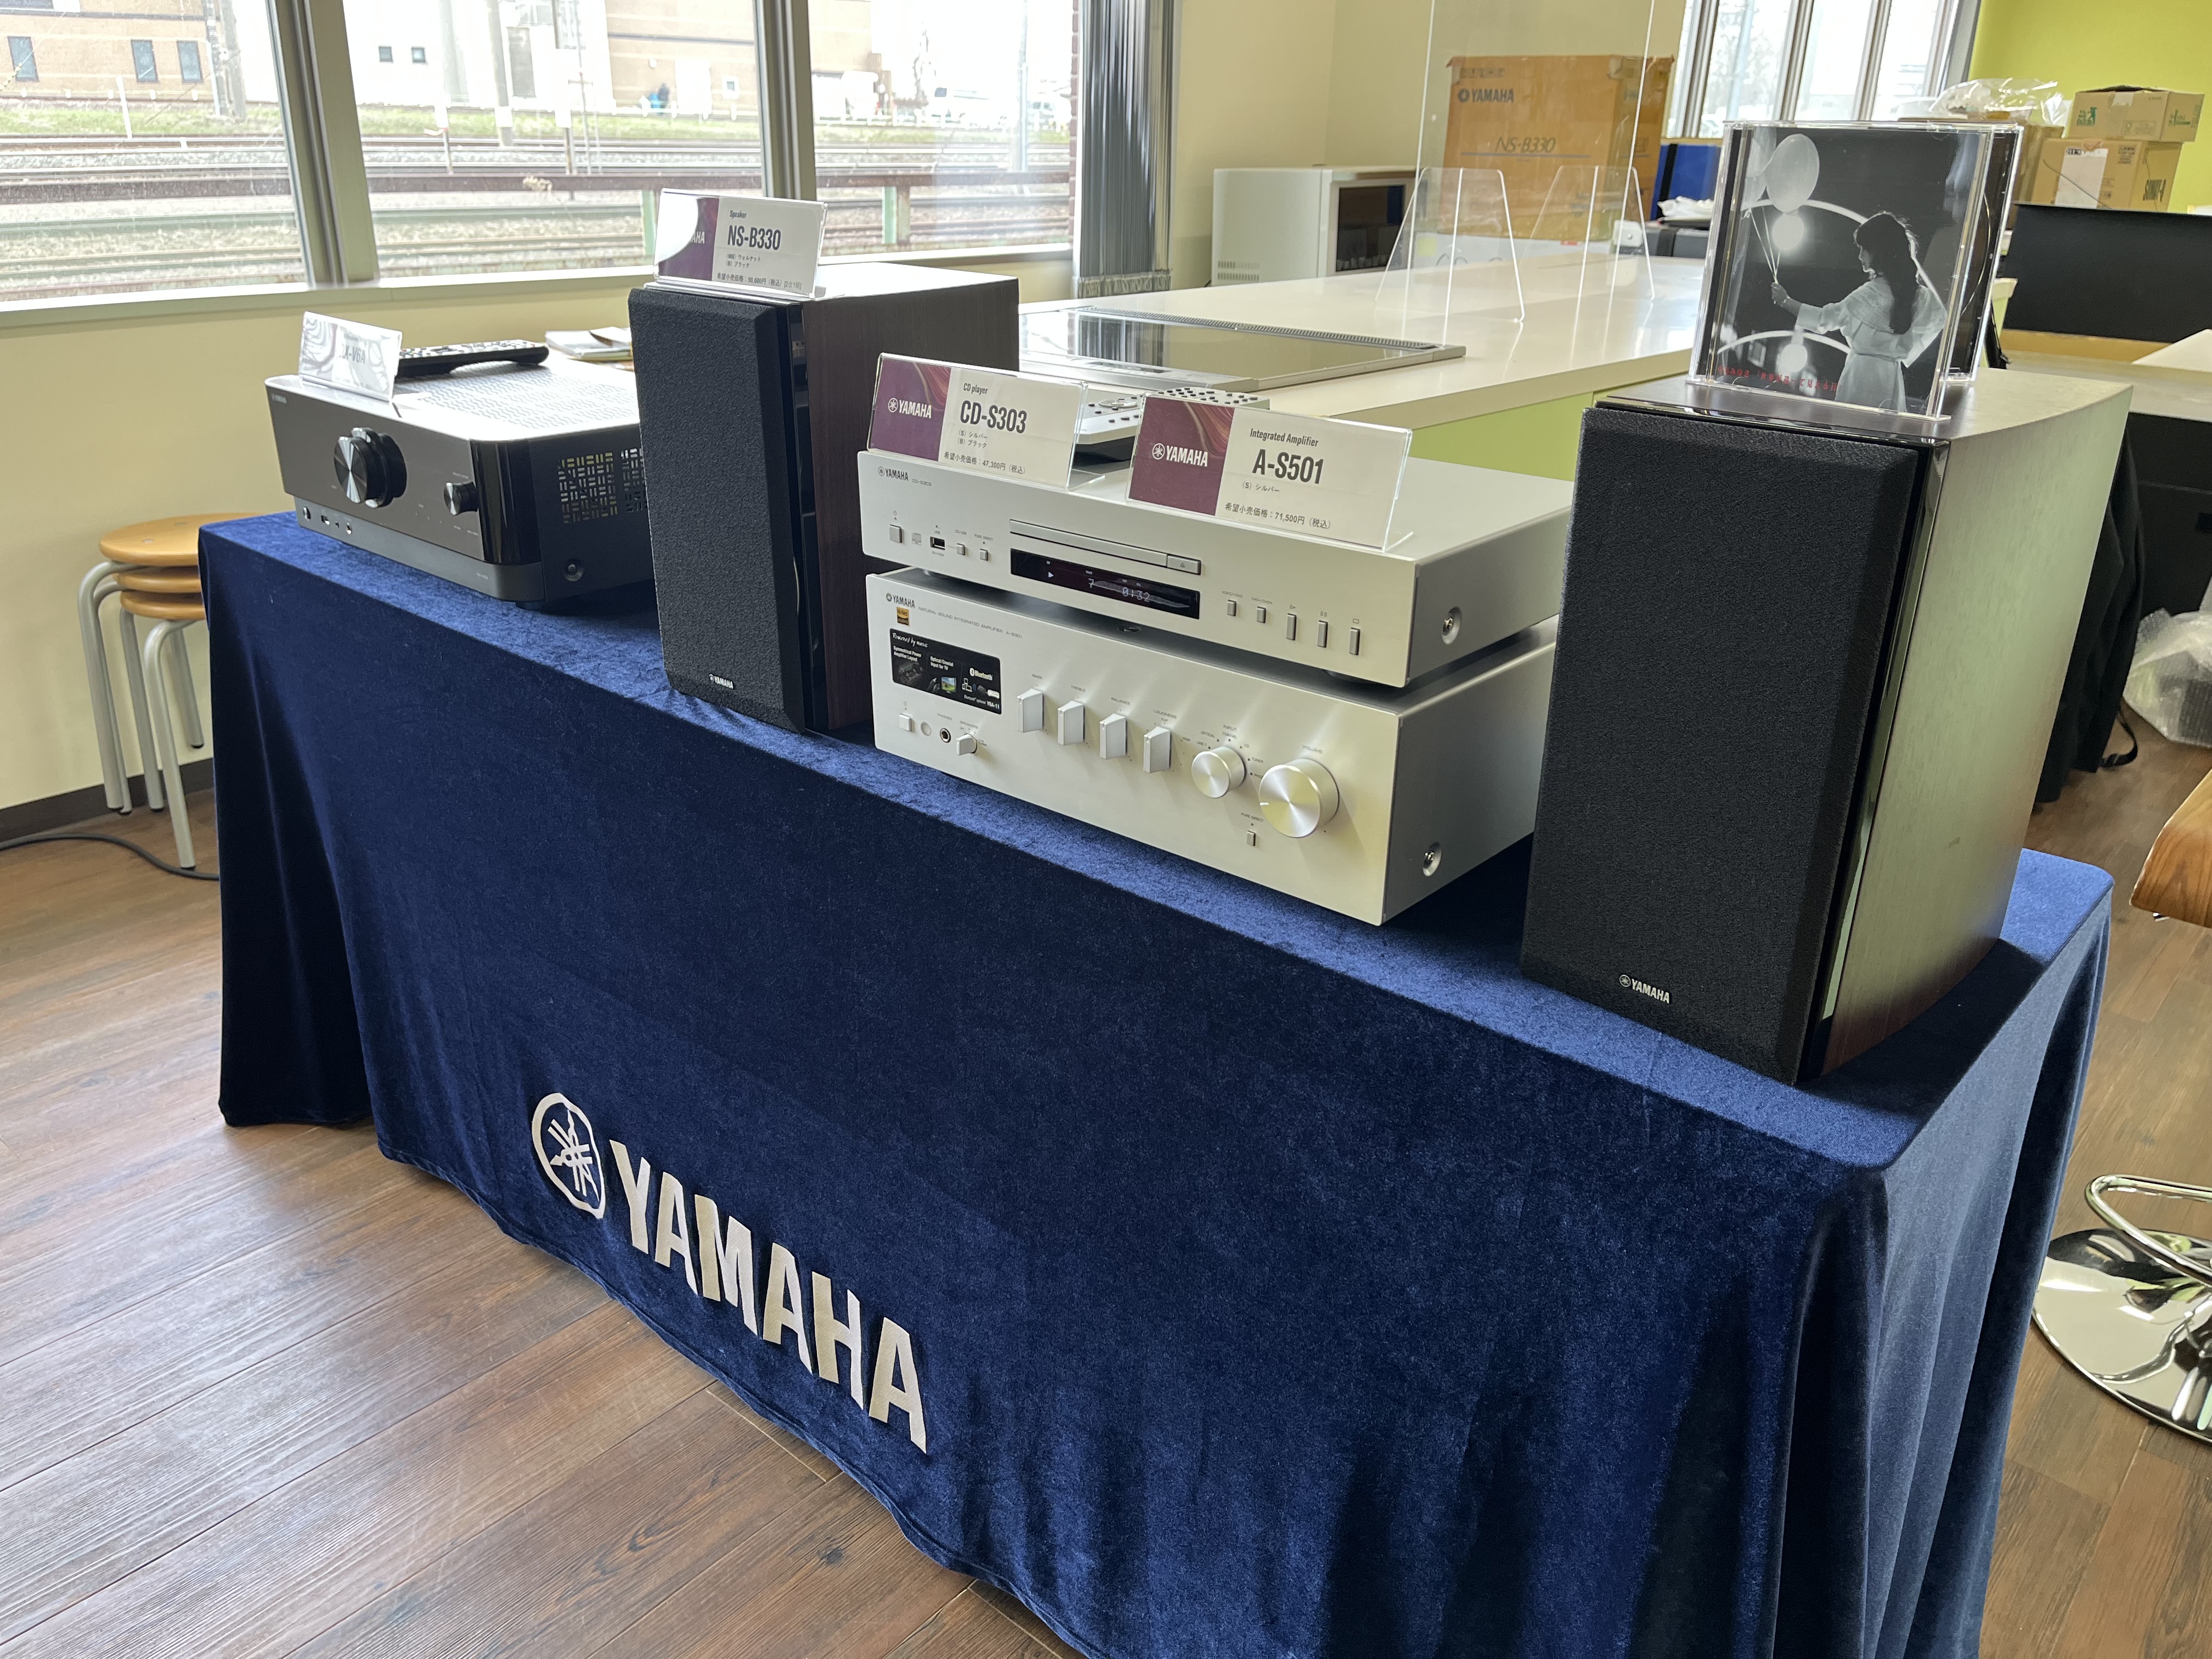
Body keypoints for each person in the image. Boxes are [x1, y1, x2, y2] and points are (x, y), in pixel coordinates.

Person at [1770, 212, 1948, 413]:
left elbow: (1823, 319)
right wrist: (1905, 347)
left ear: (1878, 252)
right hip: (1890, 380)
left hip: (1859, 379)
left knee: (1852, 425)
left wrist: (1786, 301)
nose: (1860, 256)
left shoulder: (1866, 295)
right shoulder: (1919, 297)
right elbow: (1938, 319)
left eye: (1864, 249)